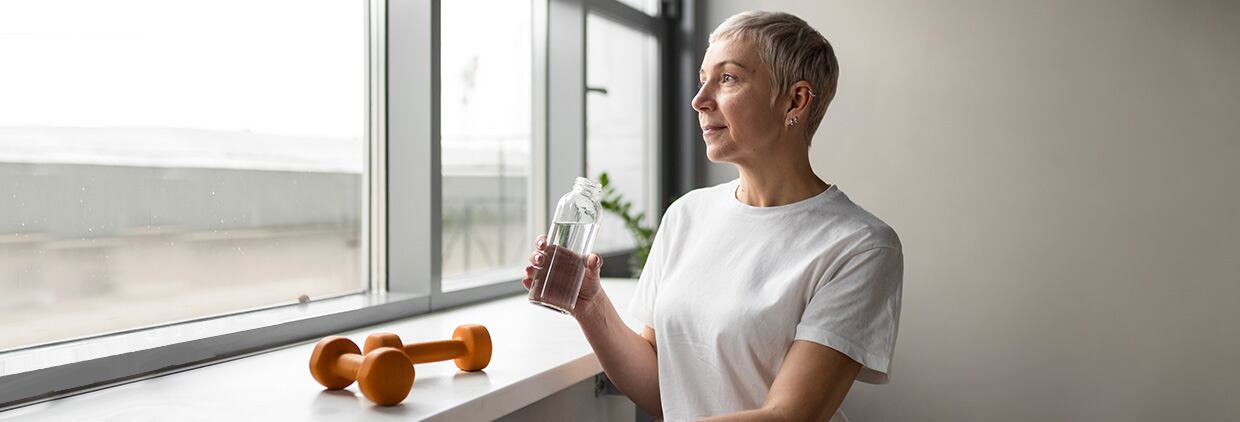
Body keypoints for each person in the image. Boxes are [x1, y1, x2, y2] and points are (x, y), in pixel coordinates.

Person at [522, 10, 903, 422]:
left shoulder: (860, 245)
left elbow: (789, 416)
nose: (699, 100)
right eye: (703, 78)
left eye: (728, 78)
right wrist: (590, 304)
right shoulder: (687, 215)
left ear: (795, 100)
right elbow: (662, 389)